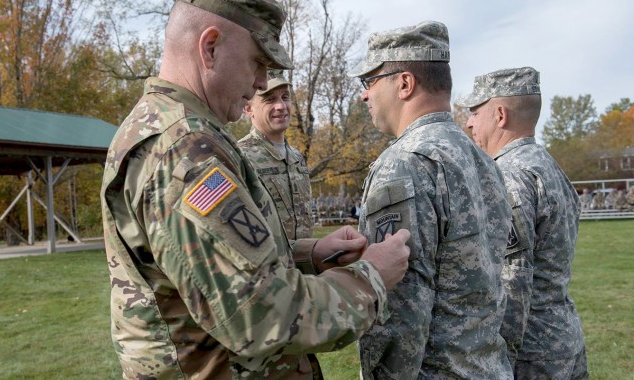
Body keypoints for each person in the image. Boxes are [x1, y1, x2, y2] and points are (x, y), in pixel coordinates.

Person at [100, 0, 412, 379]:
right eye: (257, 61)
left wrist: (310, 254)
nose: (262, 80)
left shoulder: (182, 131)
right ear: (209, 47)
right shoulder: (184, 151)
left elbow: (214, 269)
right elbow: (263, 317)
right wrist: (372, 276)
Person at [349, 21, 512, 379]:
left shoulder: (405, 163)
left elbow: (396, 308)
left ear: (404, 83)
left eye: (370, 81)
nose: (365, 95)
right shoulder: (481, 159)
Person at [457, 66, 589, 379]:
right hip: (561, 336)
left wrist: (498, 361)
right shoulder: (547, 165)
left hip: (531, 353)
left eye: (475, 112)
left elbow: (512, 281)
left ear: (500, 115)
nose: (469, 122)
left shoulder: (509, 175)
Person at [238, 69, 314, 240]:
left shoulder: (297, 158)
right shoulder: (240, 157)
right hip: (270, 265)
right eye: (270, 99)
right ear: (248, 108)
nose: (281, 106)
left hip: (307, 263)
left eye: (285, 97)